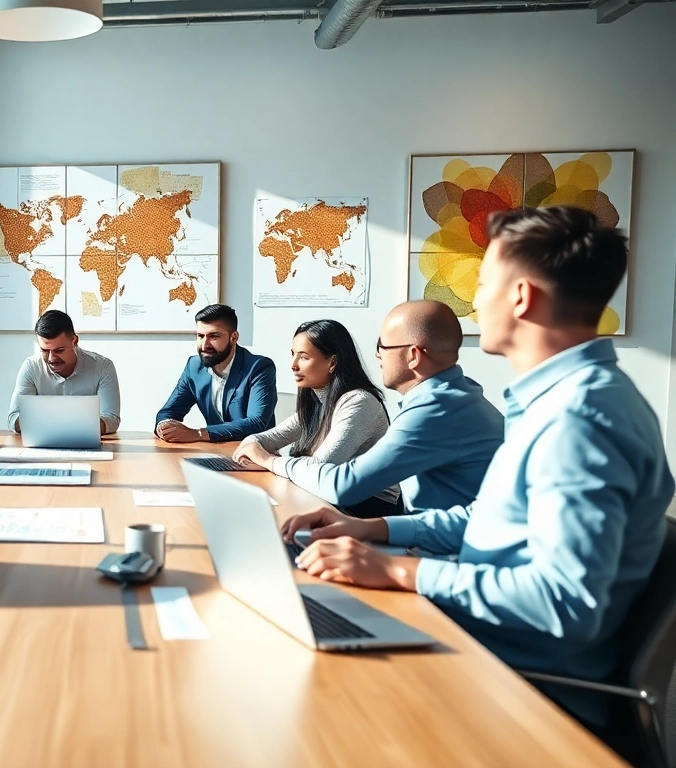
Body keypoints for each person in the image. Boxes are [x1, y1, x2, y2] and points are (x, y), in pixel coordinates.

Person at [282, 206, 674, 725]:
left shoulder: (580, 418)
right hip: (477, 641)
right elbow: (489, 518)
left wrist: (396, 569)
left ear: (521, 297)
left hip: (516, 685)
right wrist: (374, 529)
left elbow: (563, 603)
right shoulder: (555, 401)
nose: (473, 302)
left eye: (484, 283)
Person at [279, 301, 504, 514]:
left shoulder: (434, 409)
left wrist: (271, 461)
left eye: (382, 346)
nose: (377, 355)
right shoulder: (460, 395)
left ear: (413, 356)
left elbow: (344, 484)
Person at [233, 319, 398, 517]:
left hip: (366, 510)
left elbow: (319, 469)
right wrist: (256, 451)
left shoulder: (359, 402)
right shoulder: (317, 403)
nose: (293, 365)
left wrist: (267, 460)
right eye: (293, 354)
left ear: (332, 362)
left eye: (303, 357)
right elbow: (257, 440)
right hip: (329, 498)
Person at [154, 304, 277, 443]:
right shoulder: (194, 367)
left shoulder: (259, 367)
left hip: (254, 451)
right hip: (214, 450)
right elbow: (168, 412)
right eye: (200, 336)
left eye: (213, 336)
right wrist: (165, 427)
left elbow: (256, 422)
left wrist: (198, 434)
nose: (204, 345)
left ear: (234, 337)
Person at [7, 310, 120, 435]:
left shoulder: (102, 367)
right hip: (42, 442)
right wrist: (27, 421)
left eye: (59, 350)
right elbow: (13, 418)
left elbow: (111, 419)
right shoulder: (31, 367)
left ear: (75, 341)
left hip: (85, 441)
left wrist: (56, 423)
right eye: (45, 350)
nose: (51, 358)